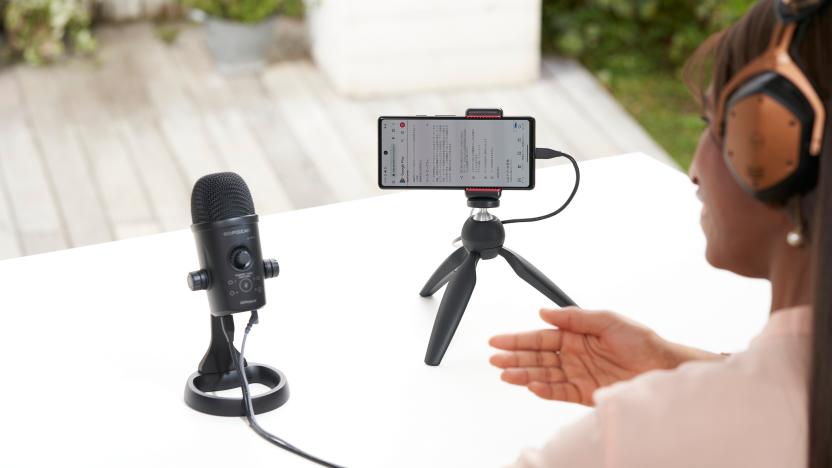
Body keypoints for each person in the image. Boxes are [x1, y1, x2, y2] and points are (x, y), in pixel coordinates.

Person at [489, 1, 831, 467]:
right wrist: (671, 365)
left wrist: (673, 401)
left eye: (712, 124)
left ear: (774, 154)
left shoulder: (629, 439)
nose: (693, 168)